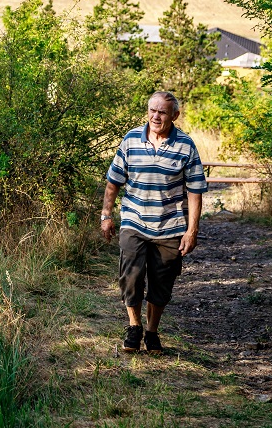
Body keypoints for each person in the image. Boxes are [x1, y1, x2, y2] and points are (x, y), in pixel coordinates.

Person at [100, 91, 207, 354]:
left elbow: (195, 191)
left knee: (162, 282)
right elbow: (114, 181)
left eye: (162, 112)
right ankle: (134, 327)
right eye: (152, 110)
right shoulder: (131, 139)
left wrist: (192, 231)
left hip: (170, 225)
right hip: (134, 221)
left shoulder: (186, 145)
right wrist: (106, 215)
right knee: (131, 277)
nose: (156, 116)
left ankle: (152, 331)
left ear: (175, 115)